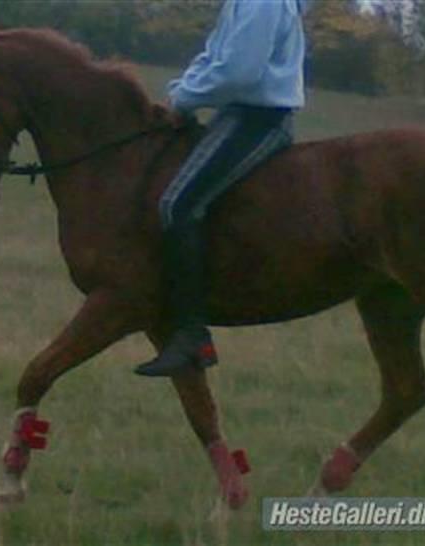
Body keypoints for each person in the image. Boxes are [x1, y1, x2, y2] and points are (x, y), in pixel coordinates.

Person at [136, 0, 310, 377]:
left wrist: (183, 99)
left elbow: (239, 73)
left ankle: (191, 335)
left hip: (257, 119)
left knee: (176, 205)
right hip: (235, 114)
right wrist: (179, 93)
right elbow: (215, 55)